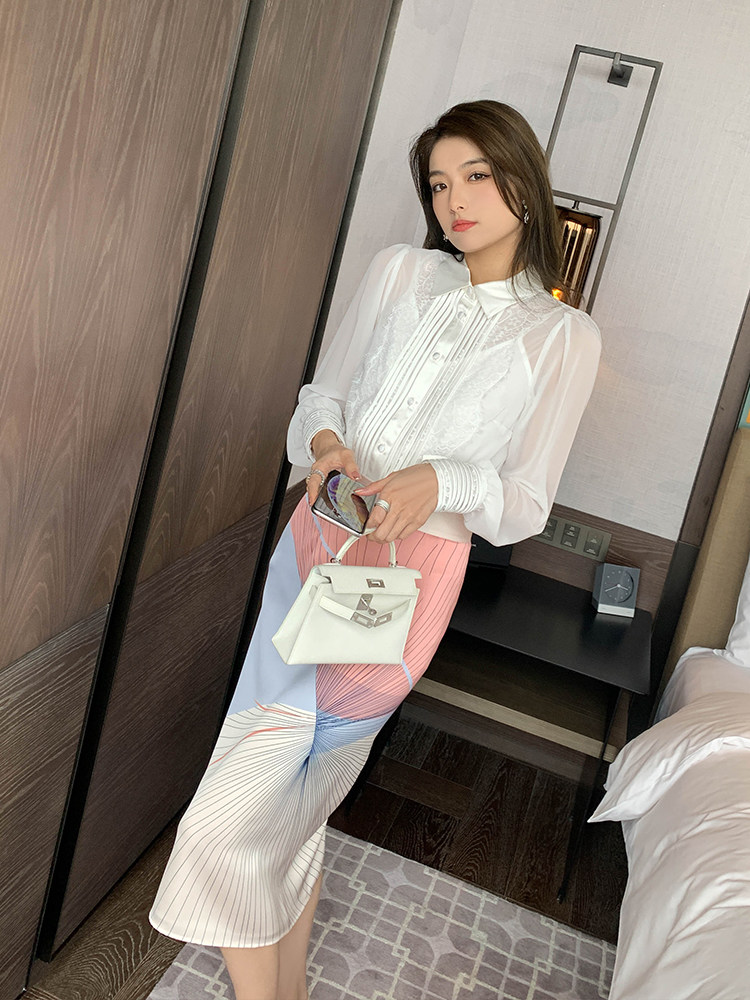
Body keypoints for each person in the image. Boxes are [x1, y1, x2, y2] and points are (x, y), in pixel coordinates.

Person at [149, 99, 601, 1000]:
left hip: (407, 583)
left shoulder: (563, 337)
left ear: (525, 182)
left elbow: (524, 502)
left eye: (478, 175)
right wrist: (327, 445)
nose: (455, 201)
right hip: (312, 544)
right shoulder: (400, 272)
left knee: (255, 807)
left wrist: (441, 479)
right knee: (283, 803)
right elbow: (321, 397)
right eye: (438, 184)